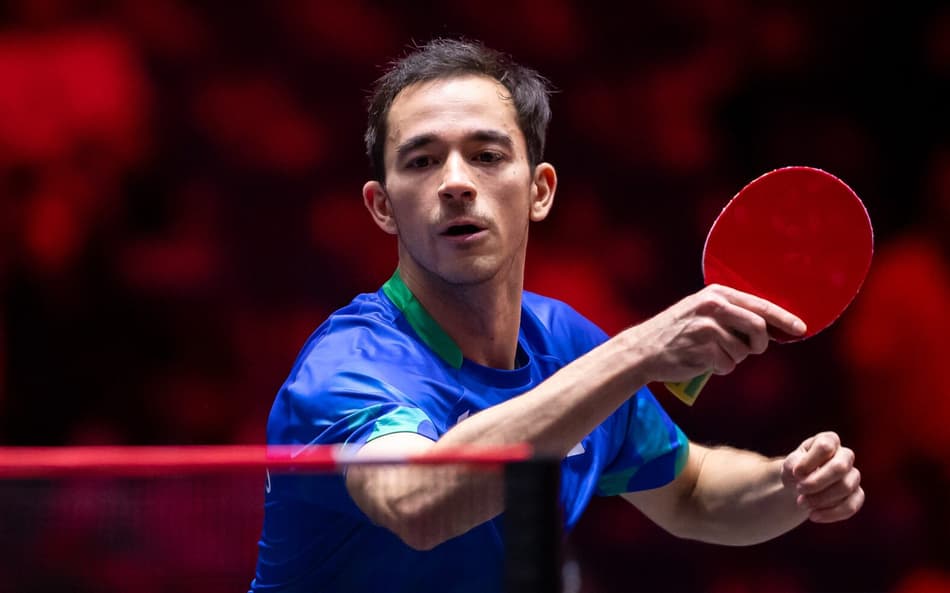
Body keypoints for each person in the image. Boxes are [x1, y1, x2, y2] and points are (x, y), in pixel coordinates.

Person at [249, 38, 864, 593]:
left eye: (487, 155)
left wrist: (790, 485)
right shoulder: (347, 366)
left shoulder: (562, 342)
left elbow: (693, 492)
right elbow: (421, 502)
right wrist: (635, 353)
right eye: (422, 161)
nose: (456, 182)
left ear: (540, 190)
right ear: (383, 207)